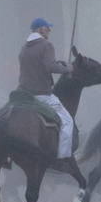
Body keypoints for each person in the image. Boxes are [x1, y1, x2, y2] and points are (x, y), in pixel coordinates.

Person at [18, 18, 75, 162]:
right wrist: (67, 68)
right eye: (46, 27)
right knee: (68, 121)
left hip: (24, 95)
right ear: (38, 29)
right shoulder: (46, 45)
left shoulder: (24, 47)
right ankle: (63, 158)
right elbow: (50, 67)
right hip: (42, 95)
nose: (49, 29)